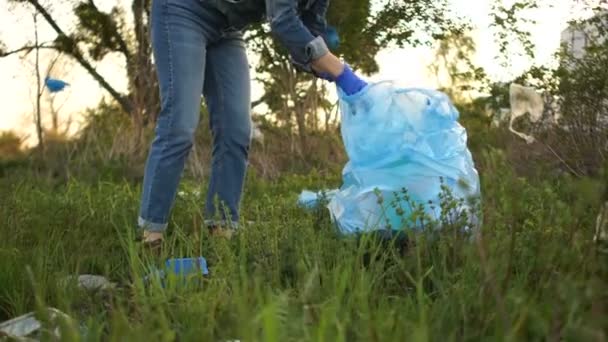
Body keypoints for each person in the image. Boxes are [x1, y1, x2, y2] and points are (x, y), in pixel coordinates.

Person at [138, 0, 368, 247]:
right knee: (179, 125)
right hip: (182, 10)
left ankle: (221, 232)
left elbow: (311, 28)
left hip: (227, 29)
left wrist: (323, 59)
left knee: (236, 130)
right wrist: (340, 71)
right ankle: (152, 234)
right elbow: (282, 19)